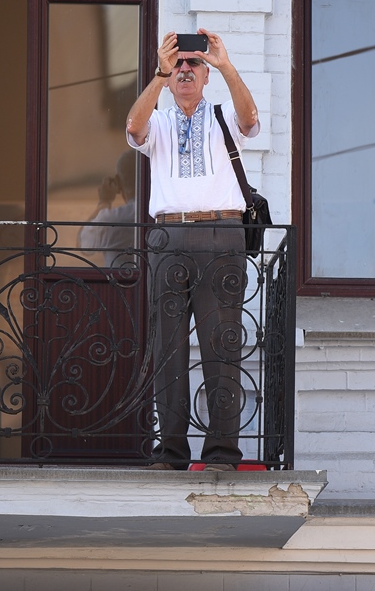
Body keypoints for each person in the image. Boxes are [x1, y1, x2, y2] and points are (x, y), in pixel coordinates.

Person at [126, 28, 260, 471]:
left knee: (221, 345)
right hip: (168, 238)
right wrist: (159, 73)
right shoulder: (161, 120)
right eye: (179, 64)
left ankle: (221, 453)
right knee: (168, 349)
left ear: (205, 76)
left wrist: (225, 64)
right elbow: (133, 127)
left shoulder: (223, 116)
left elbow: (250, 118)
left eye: (193, 64)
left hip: (222, 235)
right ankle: (170, 452)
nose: (185, 69)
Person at [77, 150, 138, 266]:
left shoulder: (113, 220)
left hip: (121, 279)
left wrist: (104, 201)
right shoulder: (164, 215)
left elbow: (84, 244)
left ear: (117, 183)